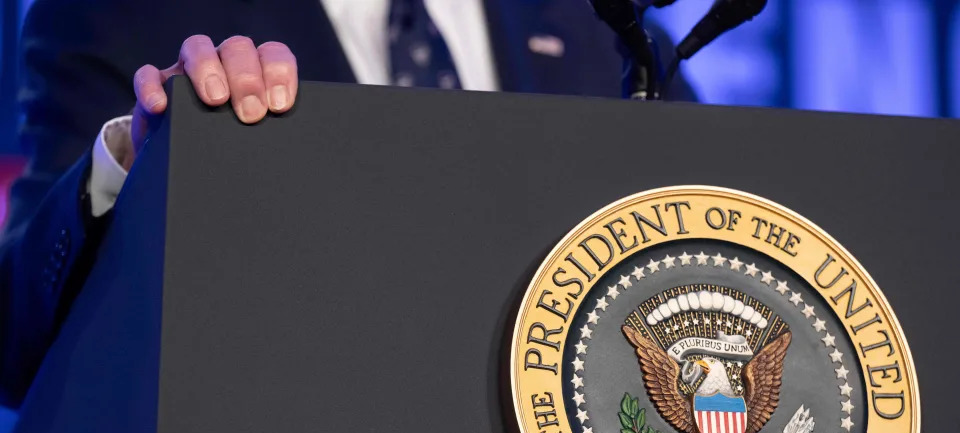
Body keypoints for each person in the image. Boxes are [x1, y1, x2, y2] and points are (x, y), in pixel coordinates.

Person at [0, 0, 694, 408]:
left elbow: (694, 244)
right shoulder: (120, 15)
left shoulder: (607, 27)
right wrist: (131, 161)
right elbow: (17, 338)